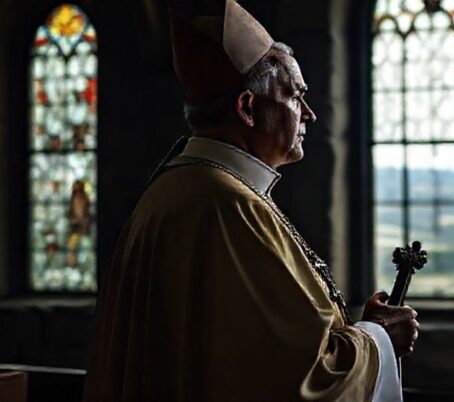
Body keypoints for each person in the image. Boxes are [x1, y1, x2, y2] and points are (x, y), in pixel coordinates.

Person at [81, 1, 418, 401]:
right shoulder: (229, 207)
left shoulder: (179, 189)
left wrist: (360, 331)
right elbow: (297, 380)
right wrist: (378, 339)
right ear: (247, 108)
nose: (308, 114)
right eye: (295, 97)